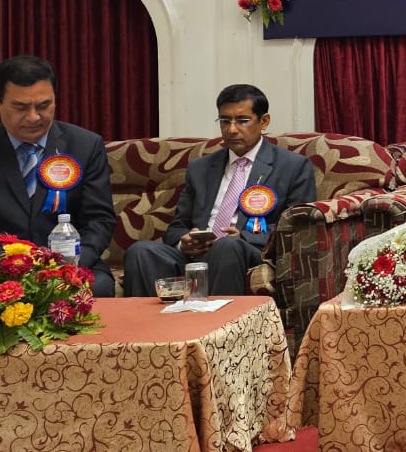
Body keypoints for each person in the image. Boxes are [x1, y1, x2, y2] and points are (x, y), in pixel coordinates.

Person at [0, 55, 118, 297]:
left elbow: (99, 220)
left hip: (68, 266)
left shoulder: (85, 145)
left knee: (99, 287)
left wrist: (70, 265)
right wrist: (4, 266)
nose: (33, 117)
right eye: (21, 107)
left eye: (43, 105)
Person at [122, 84, 316, 296]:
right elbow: (177, 226)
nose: (231, 129)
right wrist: (184, 241)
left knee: (227, 246)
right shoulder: (200, 168)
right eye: (225, 121)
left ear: (264, 121)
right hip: (197, 256)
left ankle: (220, 318)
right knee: (141, 252)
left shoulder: (293, 167)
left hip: (248, 253)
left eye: (242, 120)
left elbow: (297, 228)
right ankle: (152, 319)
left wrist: (243, 237)